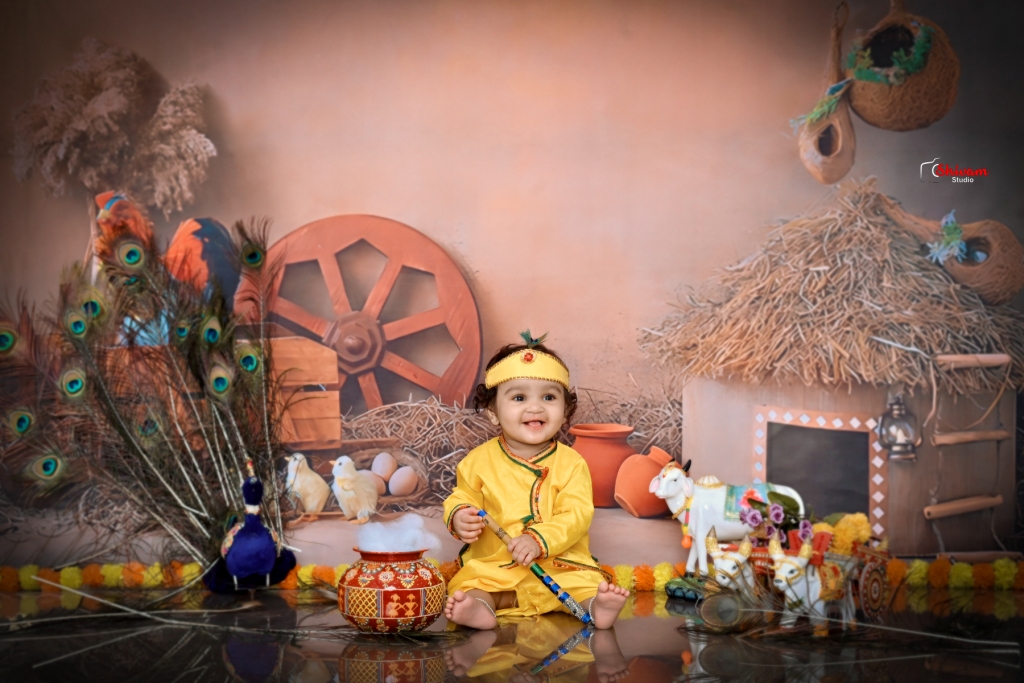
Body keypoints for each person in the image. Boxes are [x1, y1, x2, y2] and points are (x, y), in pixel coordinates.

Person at [443, 332, 629, 630]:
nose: (535, 408)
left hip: (558, 563)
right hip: (497, 565)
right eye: (519, 398)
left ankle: (596, 606)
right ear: (493, 412)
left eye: (549, 397)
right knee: (470, 585)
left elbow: (576, 514)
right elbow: (463, 498)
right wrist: (460, 515)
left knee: (583, 582)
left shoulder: (572, 463)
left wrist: (538, 539)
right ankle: (480, 607)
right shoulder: (477, 461)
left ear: (565, 411)